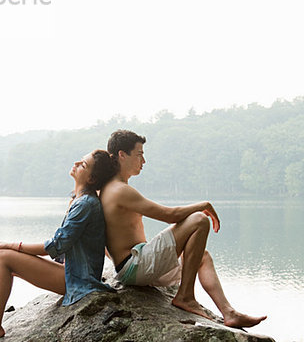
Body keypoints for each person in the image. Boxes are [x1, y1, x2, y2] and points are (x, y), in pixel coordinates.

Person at [100, 129, 267, 328]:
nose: (143, 161)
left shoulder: (110, 188)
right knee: (199, 220)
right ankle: (186, 296)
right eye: (139, 154)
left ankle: (229, 313)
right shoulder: (120, 190)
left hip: (133, 268)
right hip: (135, 266)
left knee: (201, 257)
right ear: (122, 155)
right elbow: (170, 215)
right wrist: (204, 205)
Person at [0, 149, 118, 342]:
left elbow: (55, 246)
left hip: (79, 280)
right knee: (4, 262)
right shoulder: (80, 201)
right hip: (71, 271)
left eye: (83, 165)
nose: (77, 163)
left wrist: (13, 245)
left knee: (3, 258)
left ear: (92, 178)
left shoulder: (85, 204)